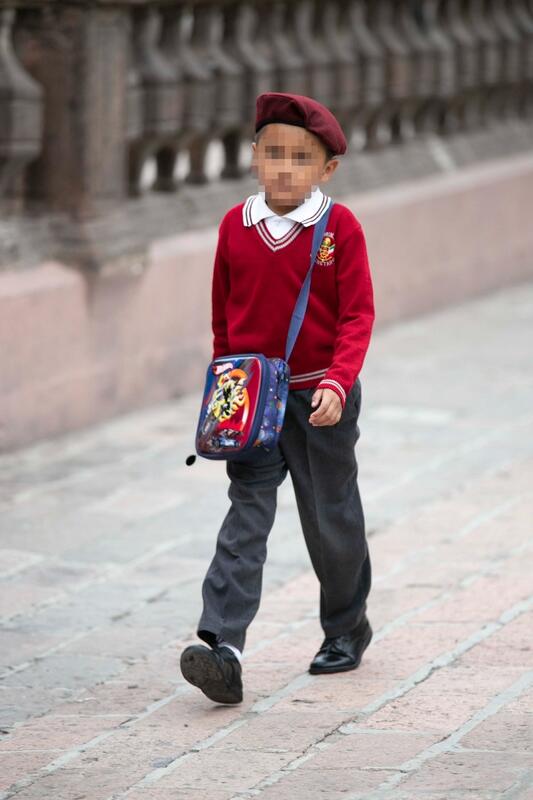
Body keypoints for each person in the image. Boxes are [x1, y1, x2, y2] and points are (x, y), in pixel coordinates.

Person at [180, 92, 375, 705]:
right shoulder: (234, 228)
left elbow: (357, 316)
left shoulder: (337, 228)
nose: (284, 168)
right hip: (252, 401)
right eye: (272, 154)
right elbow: (223, 315)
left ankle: (346, 628)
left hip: (320, 398)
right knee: (246, 517)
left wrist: (338, 383)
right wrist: (223, 386)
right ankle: (223, 648)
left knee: (330, 518)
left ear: (327, 169)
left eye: (300, 157)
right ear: (255, 158)